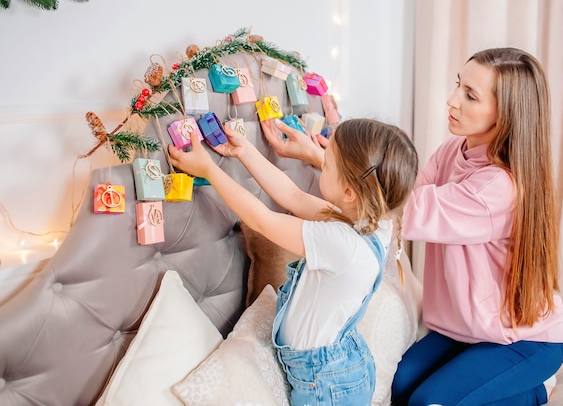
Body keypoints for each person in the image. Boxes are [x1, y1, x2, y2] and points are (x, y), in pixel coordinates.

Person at [262, 47, 563, 406]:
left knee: (427, 402)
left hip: (524, 340)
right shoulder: (452, 151)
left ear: (506, 115)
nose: (451, 100)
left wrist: (321, 157)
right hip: (466, 329)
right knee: (403, 387)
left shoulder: (498, 189)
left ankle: (537, 388)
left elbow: (395, 208)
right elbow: (394, 194)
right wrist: (330, 156)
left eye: (470, 96)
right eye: (459, 86)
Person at [168, 117, 419, 405]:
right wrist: (245, 151)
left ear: (350, 192)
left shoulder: (343, 244)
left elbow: (261, 220)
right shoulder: (373, 219)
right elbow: (294, 196)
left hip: (322, 384)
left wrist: (210, 170)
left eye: (326, 165)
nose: (321, 165)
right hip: (341, 368)